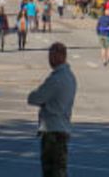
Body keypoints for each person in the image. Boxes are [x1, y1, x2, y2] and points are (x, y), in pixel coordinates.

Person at [28, 43, 77, 177]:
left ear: (61, 56)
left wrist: (43, 102)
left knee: (52, 171)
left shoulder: (56, 79)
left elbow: (34, 98)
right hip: (63, 127)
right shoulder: (70, 76)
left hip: (52, 130)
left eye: (52, 55)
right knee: (59, 169)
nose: (50, 58)